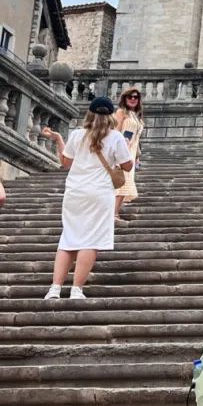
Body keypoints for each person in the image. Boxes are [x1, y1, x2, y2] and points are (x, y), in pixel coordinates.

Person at [40, 99, 134, 300]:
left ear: (89, 114)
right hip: (100, 193)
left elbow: (65, 162)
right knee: (90, 240)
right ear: (110, 116)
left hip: (75, 192)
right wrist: (126, 146)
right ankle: (76, 289)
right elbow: (127, 166)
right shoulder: (116, 137)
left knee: (68, 238)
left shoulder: (77, 135)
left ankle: (55, 288)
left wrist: (58, 139)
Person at [112, 88, 144, 225]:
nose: (133, 99)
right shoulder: (121, 112)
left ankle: (115, 212)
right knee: (122, 182)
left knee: (126, 182)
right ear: (124, 99)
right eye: (130, 97)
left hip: (130, 153)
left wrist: (137, 155)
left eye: (135, 97)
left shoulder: (136, 116)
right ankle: (113, 213)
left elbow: (136, 138)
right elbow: (115, 131)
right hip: (121, 151)